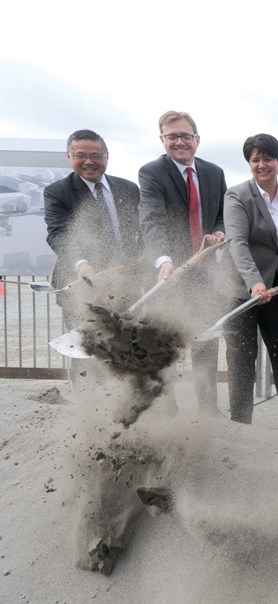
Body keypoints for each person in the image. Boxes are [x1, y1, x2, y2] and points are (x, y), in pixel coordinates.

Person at [138, 111, 228, 417]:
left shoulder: (214, 173)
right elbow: (152, 220)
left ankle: (208, 408)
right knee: (167, 343)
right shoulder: (152, 173)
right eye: (172, 136)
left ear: (197, 140)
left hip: (205, 272)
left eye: (185, 136)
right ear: (162, 139)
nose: (180, 142)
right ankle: (168, 410)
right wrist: (163, 259)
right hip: (171, 275)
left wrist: (219, 231)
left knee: (205, 341)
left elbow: (220, 215)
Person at [222, 134, 278, 428]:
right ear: (249, 164)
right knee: (241, 359)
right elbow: (237, 242)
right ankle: (240, 421)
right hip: (241, 293)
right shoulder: (237, 196)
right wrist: (254, 283)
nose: (262, 165)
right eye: (255, 159)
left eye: (267, 158)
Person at [44, 130, 145, 388]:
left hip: (126, 286)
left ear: (107, 157)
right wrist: (82, 264)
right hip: (83, 288)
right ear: (69, 157)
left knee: (128, 349)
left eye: (96, 156)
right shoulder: (59, 192)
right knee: (86, 354)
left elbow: (142, 231)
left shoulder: (128, 188)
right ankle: (89, 415)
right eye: (80, 156)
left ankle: (130, 412)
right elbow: (58, 234)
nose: (89, 161)